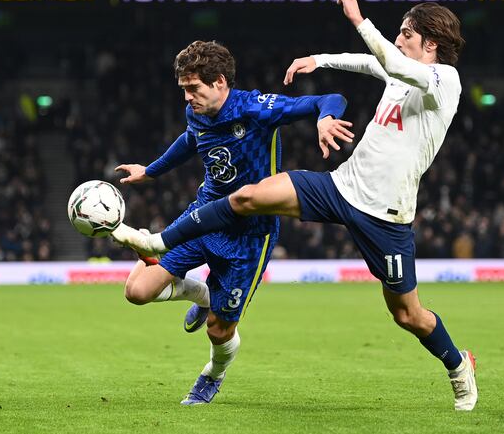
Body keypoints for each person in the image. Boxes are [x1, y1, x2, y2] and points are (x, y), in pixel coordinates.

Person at [113, 0, 478, 411]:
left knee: (407, 315)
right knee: (249, 197)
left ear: (430, 44)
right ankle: (159, 242)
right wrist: (320, 60)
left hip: (387, 215)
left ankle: (459, 366)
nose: (398, 39)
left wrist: (359, 20)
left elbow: (389, 60)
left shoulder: (443, 80)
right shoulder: (401, 72)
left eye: (406, 34)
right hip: (341, 187)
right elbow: (372, 63)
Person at [115, 40, 351, 404]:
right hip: (205, 217)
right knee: (137, 291)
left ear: (220, 82)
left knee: (218, 330)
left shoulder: (255, 108)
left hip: (251, 235)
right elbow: (189, 141)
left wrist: (326, 120)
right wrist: (151, 171)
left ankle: (214, 374)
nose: (187, 98)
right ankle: (205, 294)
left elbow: (329, 98)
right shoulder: (197, 113)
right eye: (184, 90)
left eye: (193, 89)